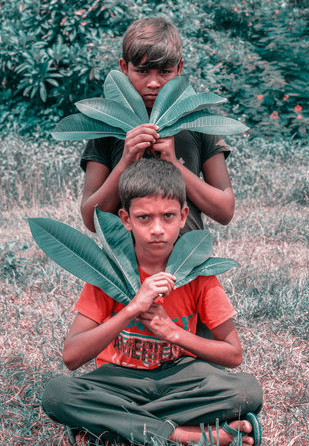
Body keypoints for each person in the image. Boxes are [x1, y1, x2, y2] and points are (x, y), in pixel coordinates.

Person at [42, 159, 263, 446]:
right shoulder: (109, 274)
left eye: (168, 216)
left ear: (183, 216)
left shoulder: (198, 275)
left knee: (248, 390)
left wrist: (173, 333)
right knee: (57, 393)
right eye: (144, 218)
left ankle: (113, 426)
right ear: (126, 218)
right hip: (121, 380)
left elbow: (233, 354)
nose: (157, 228)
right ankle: (183, 435)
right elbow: (71, 357)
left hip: (181, 378)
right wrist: (132, 307)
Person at [80, 16, 234, 235]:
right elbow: (89, 219)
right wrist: (126, 160)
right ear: (124, 67)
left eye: (164, 72)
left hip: (186, 264)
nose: (153, 83)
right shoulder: (107, 126)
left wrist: (174, 164)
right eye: (142, 71)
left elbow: (225, 211)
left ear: (179, 68)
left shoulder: (197, 122)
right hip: (126, 268)